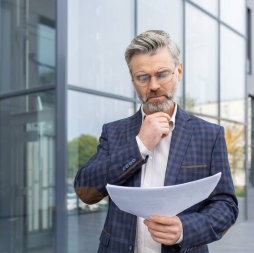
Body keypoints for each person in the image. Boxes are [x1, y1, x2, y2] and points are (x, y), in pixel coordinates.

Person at [74, 30, 238, 253]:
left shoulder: (210, 135)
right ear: (133, 81)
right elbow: (85, 190)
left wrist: (184, 229)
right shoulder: (114, 132)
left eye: (162, 74)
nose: (153, 86)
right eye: (143, 77)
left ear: (178, 72)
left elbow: (226, 206)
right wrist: (140, 144)